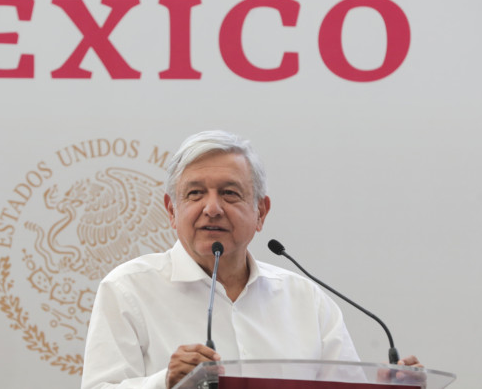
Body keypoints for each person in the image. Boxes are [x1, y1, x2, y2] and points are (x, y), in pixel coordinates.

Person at [80, 130, 420, 389]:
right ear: (172, 210)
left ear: (261, 212)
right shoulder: (128, 289)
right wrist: (165, 382)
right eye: (195, 193)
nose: (211, 208)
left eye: (229, 193)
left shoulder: (305, 300)